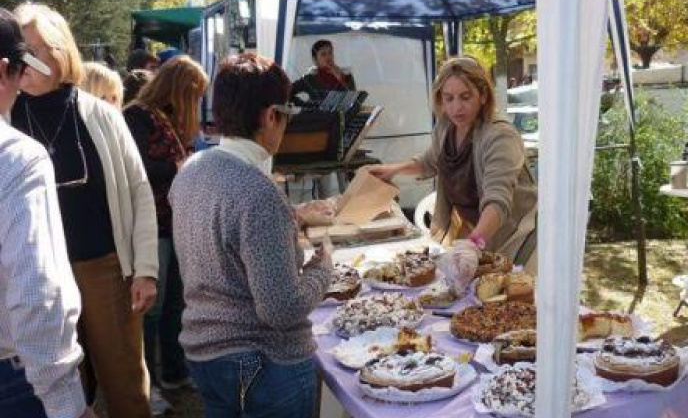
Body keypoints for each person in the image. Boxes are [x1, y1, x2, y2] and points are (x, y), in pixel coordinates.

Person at [10, 2, 158, 418]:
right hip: (40, 279)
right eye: (25, 50)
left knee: (125, 385)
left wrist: (145, 269)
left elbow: (139, 189)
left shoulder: (100, 114)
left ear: (63, 49)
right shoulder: (7, 118)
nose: (33, 60)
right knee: (63, 391)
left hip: (105, 270)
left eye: (42, 48)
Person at [169, 52, 333, 418]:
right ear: (270, 115)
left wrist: (290, 219)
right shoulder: (258, 192)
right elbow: (282, 309)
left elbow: (222, 239)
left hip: (205, 355)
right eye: (286, 116)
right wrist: (323, 271)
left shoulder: (193, 169)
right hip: (263, 362)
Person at [0, 5, 97, 418]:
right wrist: (67, 403)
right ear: (5, 69)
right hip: (15, 381)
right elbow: (37, 293)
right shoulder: (16, 157)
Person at [368, 56, 537, 292]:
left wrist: (473, 243)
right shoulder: (446, 127)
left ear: (484, 95)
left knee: (516, 303)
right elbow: (429, 162)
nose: (456, 107)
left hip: (518, 237)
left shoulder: (499, 136)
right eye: (449, 98)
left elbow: (498, 201)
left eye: (465, 97)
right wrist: (392, 170)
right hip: (479, 237)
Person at [124, 55, 208, 409]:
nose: (198, 104)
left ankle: (174, 371)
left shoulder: (168, 118)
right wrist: (178, 166)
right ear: (179, 88)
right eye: (196, 95)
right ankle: (149, 385)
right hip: (151, 227)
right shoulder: (137, 116)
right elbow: (137, 171)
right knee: (151, 310)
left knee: (175, 303)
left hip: (173, 224)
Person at [290, 39, 356, 103]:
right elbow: (287, 91)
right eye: (323, 54)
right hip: (317, 114)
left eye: (330, 53)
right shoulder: (310, 79)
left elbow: (353, 99)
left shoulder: (347, 76)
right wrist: (304, 105)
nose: (328, 57)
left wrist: (340, 78)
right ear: (315, 60)